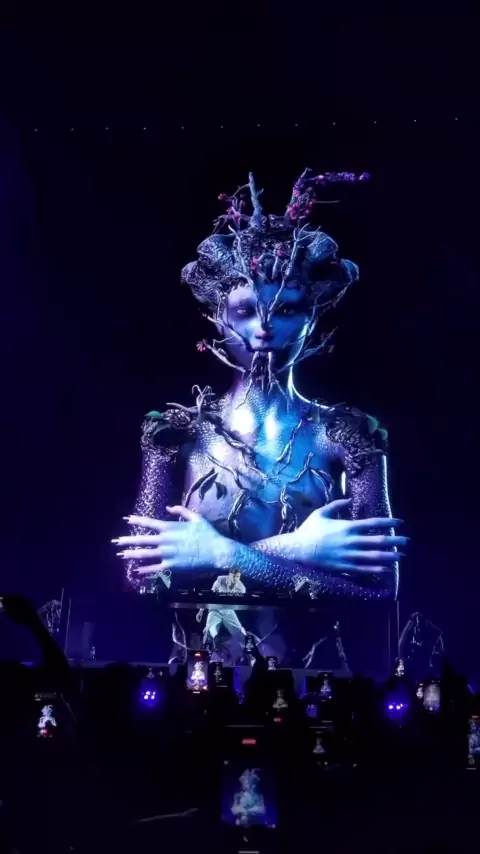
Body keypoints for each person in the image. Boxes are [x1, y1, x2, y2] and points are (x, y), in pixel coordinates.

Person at [114, 169, 407, 598]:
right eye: (246, 310)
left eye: (286, 310)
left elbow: (379, 592)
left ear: (312, 318)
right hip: (192, 646)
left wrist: (218, 553)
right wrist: (297, 551)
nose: (265, 328)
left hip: (315, 647)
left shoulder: (345, 437)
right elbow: (139, 579)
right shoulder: (178, 435)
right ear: (218, 317)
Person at [196, 569, 247, 648]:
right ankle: (207, 647)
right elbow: (210, 597)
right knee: (209, 628)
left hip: (228, 610)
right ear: (229, 575)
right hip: (215, 609)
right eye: (234, 576)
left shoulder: (241, 588)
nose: (235, 579)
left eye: (238, 577)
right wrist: (201, 611)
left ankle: (247, 647)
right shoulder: (220, 580)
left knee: (238, 630)